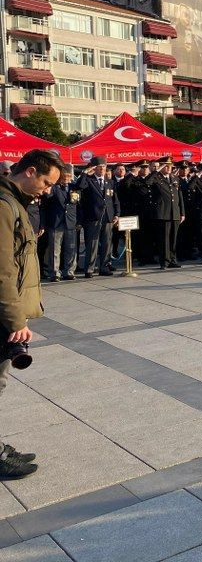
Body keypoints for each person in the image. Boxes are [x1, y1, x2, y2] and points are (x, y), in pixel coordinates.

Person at [0, 149, 66, 480]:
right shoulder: (3, 205)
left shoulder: (13, 203)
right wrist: (15, 321)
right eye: (44, 181)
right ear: (28, 171)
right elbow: (2, 271)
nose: (47, 190)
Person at [75, 156, 120, 277]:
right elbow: (79, 186)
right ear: (94, 168)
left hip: (108, 216)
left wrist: (117, 214)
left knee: (107, 243)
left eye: (104, 167)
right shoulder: (88, 180)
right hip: (93, 216)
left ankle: (104, 267)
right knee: (92, 244)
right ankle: (89, 268)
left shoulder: (109, 182)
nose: (102, 170)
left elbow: (115, 200)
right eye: (99, 167)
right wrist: (85, 173)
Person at [145, 156, 184, 269]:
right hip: (163, 213)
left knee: (173, 238)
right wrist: (156, 170)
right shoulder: (156, 177)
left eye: (170, 165)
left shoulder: (175, 178)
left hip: (175, 212)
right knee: (164, 239)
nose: (168, 167)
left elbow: (179, 196)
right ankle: (164, 261)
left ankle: (172, 259)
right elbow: (147, 182)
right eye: (166, 165)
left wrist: (182, 212)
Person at [41, 164, 78, 281]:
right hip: (56, 222)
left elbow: (78, 205)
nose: (67, 178)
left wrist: (79, 221)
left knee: (71, 248)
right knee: (55, 250)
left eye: (69, 176)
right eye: (65, 176)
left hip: (70, 221)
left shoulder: (73, 187)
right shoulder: (55, 187)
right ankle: (55, 273)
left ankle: (69, 271)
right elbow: (48, 196)